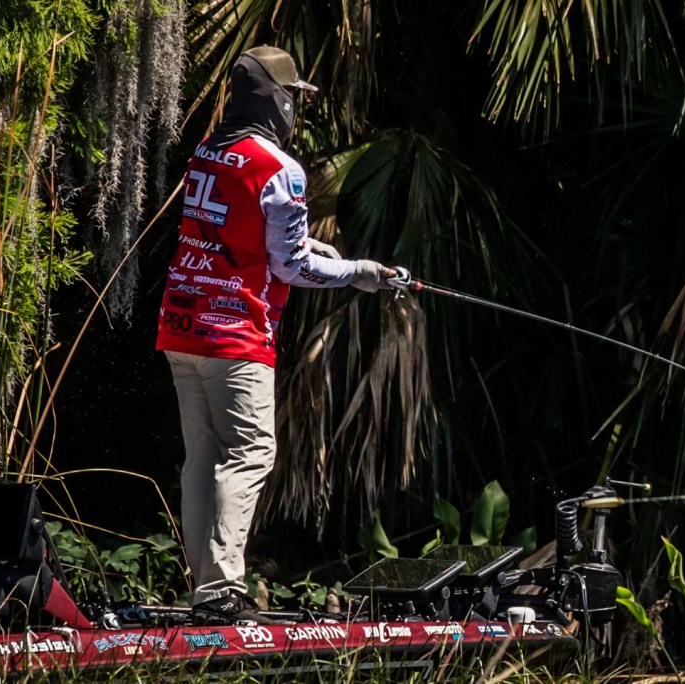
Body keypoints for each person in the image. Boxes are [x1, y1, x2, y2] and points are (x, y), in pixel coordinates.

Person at [156, 45, 396, 625]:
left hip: (182, 327)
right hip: (235, 335)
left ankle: (206, 588)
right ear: (277, 100)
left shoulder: (208, 152)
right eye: (293, 97)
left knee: (202, 457)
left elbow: (238, 234)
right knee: (252, 453)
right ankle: (223, 588)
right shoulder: (279, 169)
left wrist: (317, 247)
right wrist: (359, 273)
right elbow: (290, 267)